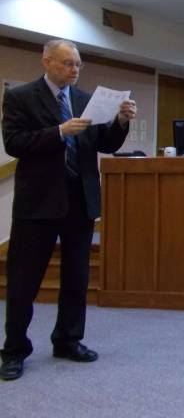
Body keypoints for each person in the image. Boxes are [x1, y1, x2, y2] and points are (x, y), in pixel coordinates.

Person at [0, 39, 137, 381]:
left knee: (77, 277)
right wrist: (59, 132)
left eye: (78, 65)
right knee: (23, 281)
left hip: (80, 200)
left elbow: (105, 142)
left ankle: (68, 340)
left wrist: (120, 121)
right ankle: (14, 349)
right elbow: (14, 143)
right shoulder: (20, 97)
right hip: (38, 203)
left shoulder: (86, 99)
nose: (74, 70)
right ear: (46, 62)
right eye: (67, 64)